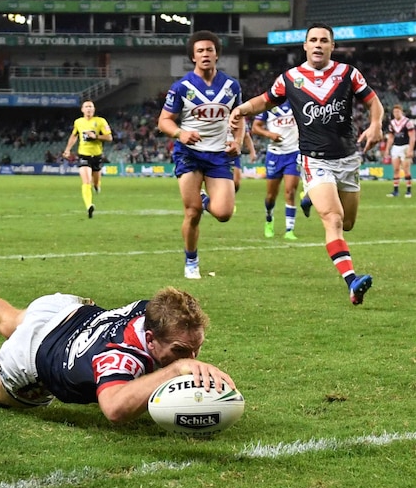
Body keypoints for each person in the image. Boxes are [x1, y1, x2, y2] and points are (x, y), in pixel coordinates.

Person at [0, 287, 235, 424]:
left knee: (8, 317)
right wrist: (176, 372)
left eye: (196, 347)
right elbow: (114, 408)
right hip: (30, 358)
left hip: (64, 311)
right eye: (179, 350)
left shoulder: (152, 311)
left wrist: (181, 356)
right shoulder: (121, 358)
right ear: (150, 337)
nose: (190, 356)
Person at [229, 23, 383, 305]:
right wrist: (241, 109)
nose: (318, 44)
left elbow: (374, 102)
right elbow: (264, 101)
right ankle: (352, 281)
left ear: (332, 46)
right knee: (333, 220)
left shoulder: (348, 74)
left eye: (324, 40)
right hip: (315, 160)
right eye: (313, 40)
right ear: (305, 46)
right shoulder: (290, 78)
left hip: (348, 159)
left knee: (347, 223)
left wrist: (375, 125)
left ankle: (311, 196)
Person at [157, 30, 244, 280]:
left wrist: (237, 141)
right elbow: (163, 121)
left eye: (209, 50)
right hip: (189, 155)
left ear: (217, 54)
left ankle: (205, 199)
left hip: (218, 155)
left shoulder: (231, 86)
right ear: (193, 57)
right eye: (200, 51)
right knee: (192, 212)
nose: (205, 54)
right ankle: (191, 261)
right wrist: (180, 133)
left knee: (224, 213)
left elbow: (238, 119)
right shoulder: (181, 87)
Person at [252, 101, 301, 239]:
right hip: (275, 154)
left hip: (293, 153)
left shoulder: (297, 102)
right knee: (271, 195)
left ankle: (289, 230)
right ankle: (269, 219)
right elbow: (255, 127)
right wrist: (269, 134)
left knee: (290, 192)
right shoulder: (269, 105)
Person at [62, 99, 113, 218]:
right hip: (83, 155)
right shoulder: (78, 122)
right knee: (86, 181)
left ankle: (97, 186)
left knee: (95, 183)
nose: (89, 108)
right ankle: (89, 205)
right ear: (82, 109)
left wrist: (96, 136)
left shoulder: (100, 121)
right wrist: (67, 149)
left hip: (97, 156)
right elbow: (74, 136)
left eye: (91, 106)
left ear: (94, 109)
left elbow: (109, 137)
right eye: (86, 107)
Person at [384, 104, 414, 198]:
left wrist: (410, 149)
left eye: (398, 111)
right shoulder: (392, 123)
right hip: (396, 147)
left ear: (401, 112)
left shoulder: (407, 122)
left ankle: (408, 191)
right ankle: (395, 191)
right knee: (396, 169)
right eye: (395, 112)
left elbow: (412, 137)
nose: (396, 113)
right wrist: (387, 149)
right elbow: (391, 137)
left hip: (405, 146)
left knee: (406, 169)